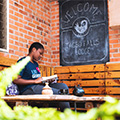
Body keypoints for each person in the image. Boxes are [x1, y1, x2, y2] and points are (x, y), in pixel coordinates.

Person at [13, 42, 70, 112]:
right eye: (40, 53)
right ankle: (68, 115)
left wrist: (47, 81)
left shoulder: (35, 64)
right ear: (34, 50)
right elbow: (15, 80)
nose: (41, 56)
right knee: (60, 93)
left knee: (63, 87)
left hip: (38, 87)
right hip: (28, 89)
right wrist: (34, 81)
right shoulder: (23, 61)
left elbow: (37, 79)